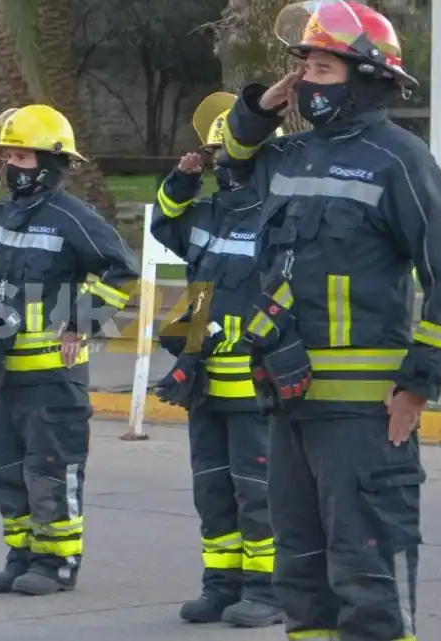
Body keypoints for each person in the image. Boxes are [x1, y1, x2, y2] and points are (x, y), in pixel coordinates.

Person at [221, 0, 441, 639]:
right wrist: (257, 112)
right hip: (291, 404)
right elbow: (230, 169)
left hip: (364, 416)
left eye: (323, 70)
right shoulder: (289, 156)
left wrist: (420, 383)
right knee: (301, 577)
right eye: (304, 68)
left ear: (366, 77)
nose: (308, 82)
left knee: (368, 577)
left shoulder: (399, 159)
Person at [0, 104, 140, 596]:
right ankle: (21, 555)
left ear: (52, 163)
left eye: (23, 156)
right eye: (9, 156)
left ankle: (56, 563)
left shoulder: (72, 217)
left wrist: (82, 320)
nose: (13, 165)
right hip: (6, 372)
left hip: (55, 378)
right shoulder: (4, 214)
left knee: (52, 472)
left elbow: (122, 270)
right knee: (8, 473)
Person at [149, 91, 283, 627]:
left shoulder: (278, 217)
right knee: (213, 491)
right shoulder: (206, 213)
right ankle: (220, 586)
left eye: (228, 152)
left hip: (254, 387)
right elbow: (164, 225)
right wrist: (182, 180)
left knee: (259, 495)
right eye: (215, 153)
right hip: (204, 384)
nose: (224, 162)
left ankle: (269, 592)